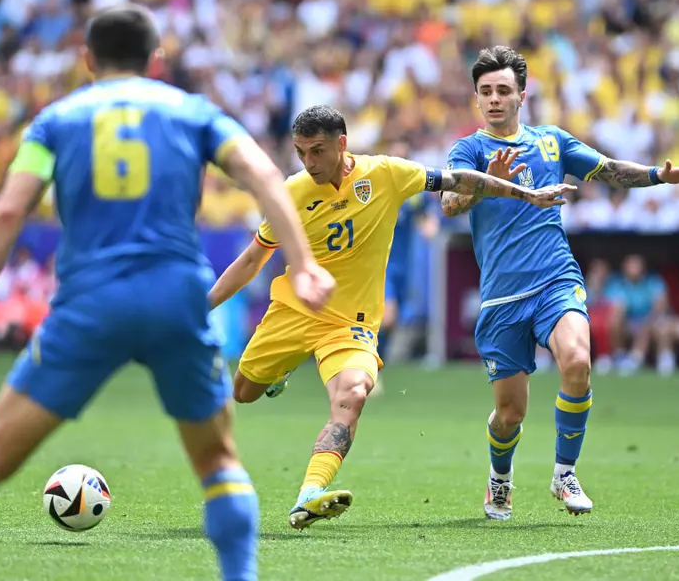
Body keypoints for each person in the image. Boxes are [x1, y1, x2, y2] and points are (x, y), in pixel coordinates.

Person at [0, 4, 335, 581]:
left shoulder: (56, 121)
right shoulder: (193, 112)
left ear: (87, 60)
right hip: (176, 301)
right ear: (156, 61)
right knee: (217, 462)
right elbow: (262, 175)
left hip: (89, 305)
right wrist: (303, 263)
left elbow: (9, 210)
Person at [209, 104, 575, 530]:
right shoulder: (291, 192)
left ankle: (309, 494)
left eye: (317, 151)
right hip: (294, 312)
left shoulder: (385, 173)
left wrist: (525, 194)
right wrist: (205, 305)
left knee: (354, 395)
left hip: (352, 323)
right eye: (300, 152)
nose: (308, 163)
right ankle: (279, 374)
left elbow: (455, 180)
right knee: (244, 392)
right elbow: (253, 258)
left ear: (342, 144)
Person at [440, 45, 679, 520]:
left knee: (578, 361)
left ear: (522, 95)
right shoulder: (470, 150)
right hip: (502, 297)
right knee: (509, 416)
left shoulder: (551, 141)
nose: (494, 99)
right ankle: (499, 479)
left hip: (554, 279)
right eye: (486, 92)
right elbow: (448, 206)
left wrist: (656, 175)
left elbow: (606, 170)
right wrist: (483, 179)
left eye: (504, 90)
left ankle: (564, 473)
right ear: (476, 99)